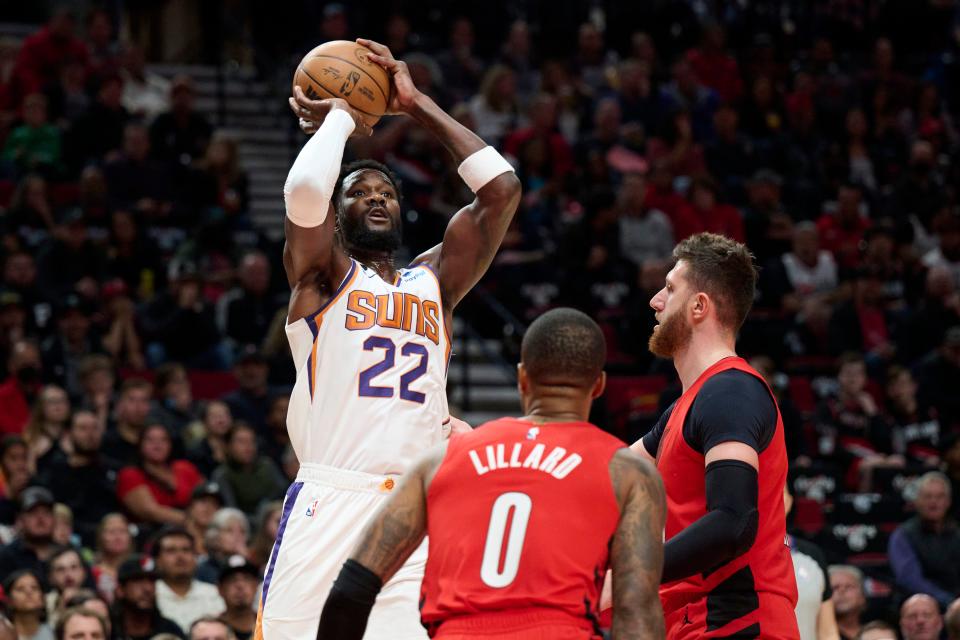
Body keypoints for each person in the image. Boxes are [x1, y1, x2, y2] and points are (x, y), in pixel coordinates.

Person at [262, 36, 521, 640]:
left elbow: (502, 189)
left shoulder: (434, 281)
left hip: (412, 506)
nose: (376, 198)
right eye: (359, 192)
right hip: (331, 495)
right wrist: (340, 122)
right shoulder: (321, 278)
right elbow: (303, 195)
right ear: (340, 211)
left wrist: (417, 104)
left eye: (386, 193)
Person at [317, 308, 666, 639]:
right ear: (600, 385)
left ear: (521, 378)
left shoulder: (440, 460)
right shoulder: (628, 471)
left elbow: (352, 588)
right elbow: (635, 610)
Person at [629, 232, 799, 639]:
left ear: (699, 306)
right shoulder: (689, 404)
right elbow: (605, 472)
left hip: (736, 620)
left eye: (669, 289)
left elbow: (733, 522)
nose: (655, 300)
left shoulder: (731, 390)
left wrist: (632, 572)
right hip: (695, 621)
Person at [888, 471, 960, 606]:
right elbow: (910, 580)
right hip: (917, 604)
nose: (934, 502)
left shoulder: (957, 533)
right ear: (916, 501)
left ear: (948, 502)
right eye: (928, 496)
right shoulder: (903, 535)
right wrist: (949, 601)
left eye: (940, 497)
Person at [116, 423, 201, 527]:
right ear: (140, 444)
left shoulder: (184, 468)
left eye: (163, 440)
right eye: (150, 440)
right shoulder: (130, 474)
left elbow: (207, 497)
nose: (157, 445)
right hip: (154, 532)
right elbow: (151, 512)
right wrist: (195, 521)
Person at [785, 488, 839, 640]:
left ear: (789, 501)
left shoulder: (812, 554)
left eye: (779, 491)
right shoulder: (736, 552)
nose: (773, 497)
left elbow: (828, 631)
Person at [151, 526, 225, 633]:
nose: (180, 556)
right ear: (158, 560)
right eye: (171, 551)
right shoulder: (150, 595)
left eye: (186, 550)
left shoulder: (214, 594)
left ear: (196, 557)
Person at [112, 554, 183, 640]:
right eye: (138, 580)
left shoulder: (170, 631)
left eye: (152, 581)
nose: (148, 588)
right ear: (120, 590)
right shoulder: (109, 630)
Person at [0, 487, 57, 587]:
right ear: (19, 520)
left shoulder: (67, 553)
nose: (41, 518)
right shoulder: (6, 556)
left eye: (46, 512)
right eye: (33, 513)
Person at [3, 570, 54, 640]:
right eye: (20, 589)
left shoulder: (54, 632)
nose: (28, 592)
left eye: (34, 588)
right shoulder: (3, 632)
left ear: (43, 597)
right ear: (9, 599)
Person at [215, 556, 258, 640]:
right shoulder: (210, 630)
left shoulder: (269, 625)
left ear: (255, 586)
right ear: (220, 589)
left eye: (246, 578)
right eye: (232, 579)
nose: (240, 585)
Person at [829, 566, 867, 640]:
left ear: (862, 596)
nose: (842, 591)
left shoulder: (876, 633)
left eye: (849, 587)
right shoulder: (814, 633)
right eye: (835, 587)